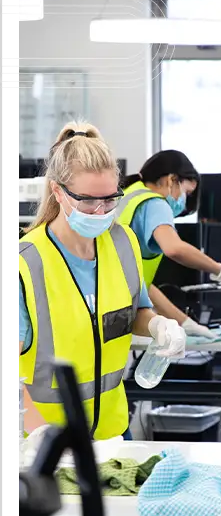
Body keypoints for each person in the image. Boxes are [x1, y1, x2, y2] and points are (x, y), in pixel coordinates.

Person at [17, 122, 186, 441]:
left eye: (109, 200)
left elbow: (133, 313)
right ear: (58, 192)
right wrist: (39, 433)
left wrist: (157, 326)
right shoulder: (25, 263)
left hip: (113, 434)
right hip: (46, 443)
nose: (100, 211)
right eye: (88, 201)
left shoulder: (124, 244)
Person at [117, 150, 221, 338]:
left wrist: (186, 323)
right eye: (187, 192)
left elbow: (141, 284)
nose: (184, 202)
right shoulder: (155, 203)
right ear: (171, 180)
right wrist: (220, 270)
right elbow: (174, 248)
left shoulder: (130, 194)